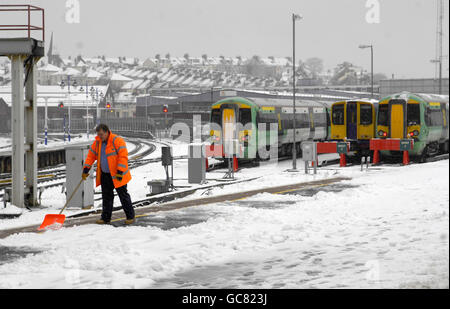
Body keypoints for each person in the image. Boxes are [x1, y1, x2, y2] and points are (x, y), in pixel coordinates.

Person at [82, 124, 135, 225]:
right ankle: (105, 218)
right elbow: (91, 156)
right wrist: (86, 169)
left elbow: (123, 157)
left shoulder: (117, 141)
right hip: (105, 174)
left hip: (118, 175)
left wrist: (120, 171)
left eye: (101, 134)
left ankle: (130, 216)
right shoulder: (97, 143)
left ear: (107, 132)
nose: (100, 136)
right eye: (98, 134)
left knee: (123, 196)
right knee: (106, 197)